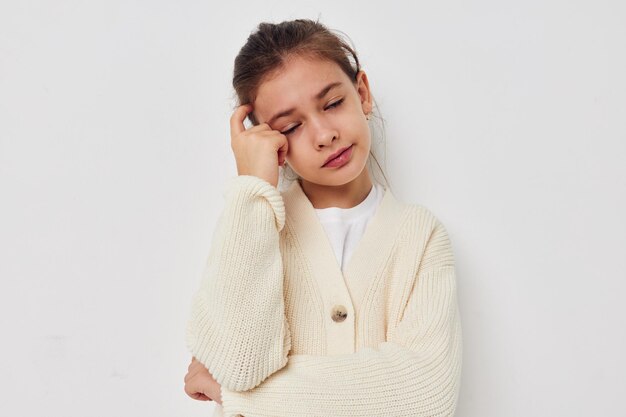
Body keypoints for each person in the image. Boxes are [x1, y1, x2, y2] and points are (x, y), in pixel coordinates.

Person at [183, 18, 462, 417]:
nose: (323, 134)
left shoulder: (420, 237)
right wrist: (252, 186)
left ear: (362, 93)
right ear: (269, 139)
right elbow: (240, 364)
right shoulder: (252, 229)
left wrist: (240, 397)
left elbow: (426, 397)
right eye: (291, 126)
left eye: (332, 104)